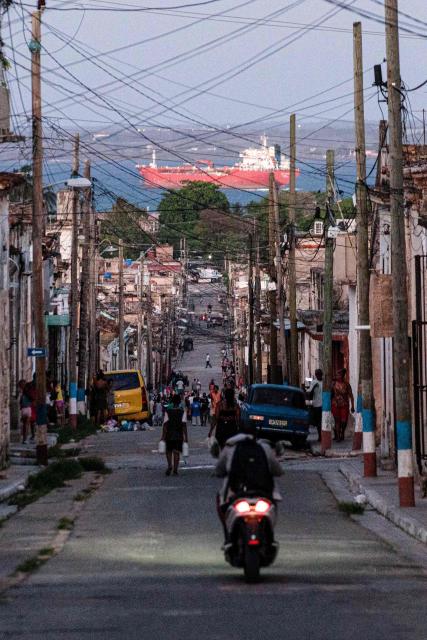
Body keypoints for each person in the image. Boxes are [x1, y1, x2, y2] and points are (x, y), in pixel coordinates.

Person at [215, 423, 283, 539]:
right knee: (273, 504)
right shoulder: (264, 448)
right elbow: (277, 470)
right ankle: (269, 536)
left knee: (220, 499)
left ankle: (228, 534)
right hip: (263, 492)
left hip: (237, 492)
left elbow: (219, 469)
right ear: (255, 434)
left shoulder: (230, 446)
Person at [162, 394, 188, 476]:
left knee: (169, 451)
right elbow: (184, 425)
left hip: (169, 434)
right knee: (176, 452)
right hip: (178, 434)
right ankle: (175, 470)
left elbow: (165, 425)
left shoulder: (168, 411)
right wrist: (186, 437)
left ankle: (170, 465)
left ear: (172, 402)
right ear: (179, 402)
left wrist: (163, 436)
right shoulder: (182, 412)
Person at [331, 368, 355, 441]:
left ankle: (342, 432)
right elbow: (330, 395)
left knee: (344, 421)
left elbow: (351, 395)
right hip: (335, 404)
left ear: (343, 375)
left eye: (339, 374)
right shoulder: (333, 384)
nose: (337, 376)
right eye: (337, 374)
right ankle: (338, 436)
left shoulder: (347, 384)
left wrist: (352, 406)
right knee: (337, 421)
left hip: (345, 405)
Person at [307, 369, 323, 442]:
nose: (318, 375)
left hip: (324, 405)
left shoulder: (324, 382)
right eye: (317, 374)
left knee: (324, 421)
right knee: (318, 422)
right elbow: (309, 394)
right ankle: (320, 436)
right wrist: (314, 387)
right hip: (316, 405)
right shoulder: (313, 382)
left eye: (319, 374)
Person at [18, 380, 34, 444]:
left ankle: (25, 439)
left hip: (26, 408)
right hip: (26, 408)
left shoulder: (26, 391)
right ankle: (25, 439)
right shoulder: (24, 392)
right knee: (26, 424)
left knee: (26, 424)